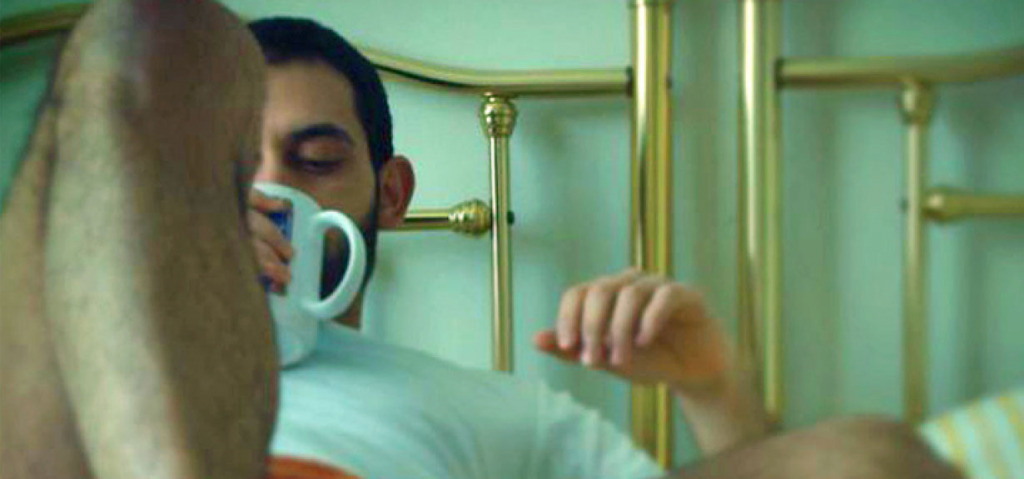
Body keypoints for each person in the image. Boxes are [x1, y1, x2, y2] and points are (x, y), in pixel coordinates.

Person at [0, 1, 963, 478]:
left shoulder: (498, 412)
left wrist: (715, 388)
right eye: (235, 167)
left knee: (878, 453)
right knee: (163, 31)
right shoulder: (62, 341)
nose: (270, 191)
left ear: (389, 194)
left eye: (315, 158)